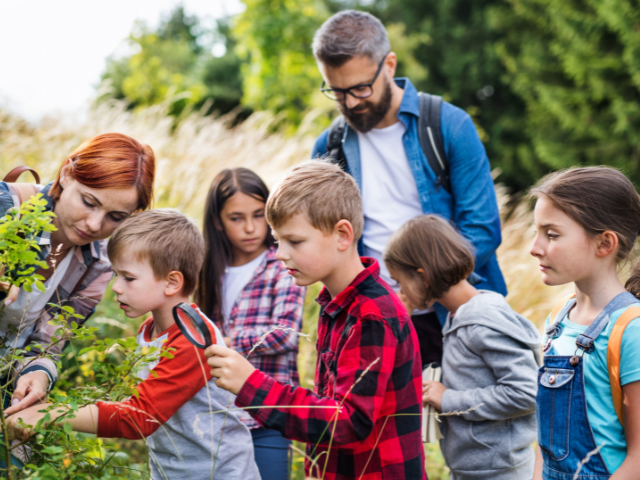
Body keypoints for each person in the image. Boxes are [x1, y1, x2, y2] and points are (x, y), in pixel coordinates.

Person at [204, 160, 426, 480]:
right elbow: (330, 404)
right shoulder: (336, 305)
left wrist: (251, 385)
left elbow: (347, 421)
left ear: (341, 235)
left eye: (294, 241)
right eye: (278, 240)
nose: (280, 253)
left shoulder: (372, 316)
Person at [310, 10, 506, 365]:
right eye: (337, 92)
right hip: (370, 320)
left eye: (360, 88)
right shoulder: (328, 147)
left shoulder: (449, 125)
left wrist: (415, 292)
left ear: (389, 64)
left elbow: (482, 229)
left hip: (454, 317)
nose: (350, 103)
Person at [7, 209, 261, 480]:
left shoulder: (192, 339)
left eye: (128, 277)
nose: (116, 287)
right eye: (116, 275)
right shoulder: (150, 330)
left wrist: (50, 414)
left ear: (172, 282)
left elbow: (140, 418)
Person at [0, 133, 155, 416]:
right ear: (67, 173)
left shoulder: (98, 265)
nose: (95, 225)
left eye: (116, 217)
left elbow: (48, 343)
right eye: (89, 202)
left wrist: (39, 374)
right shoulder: (6, 208)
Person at [383, 214, 539, 480]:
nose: (400, 292)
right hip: (474, 468)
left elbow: (526, 392)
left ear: (423, 277)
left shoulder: (481, 323)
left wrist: (448, 399)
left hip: (501, 471)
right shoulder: (458, 318)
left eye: (400, 282)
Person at [194, 168, 306, 480]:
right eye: (236, 218)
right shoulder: (206, 270)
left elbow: (287, 334)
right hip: (215, 417)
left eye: (259, 215)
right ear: (217, 220)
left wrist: (224, 343)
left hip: (266, 416)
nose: (250, 228)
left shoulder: (284, 264)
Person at [530, 167, 640, 480]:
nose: (535, 248)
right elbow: (545, 442)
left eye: (551, 235)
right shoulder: (557, 320)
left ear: (604, 243)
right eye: (536, 233)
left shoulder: (631, 329)